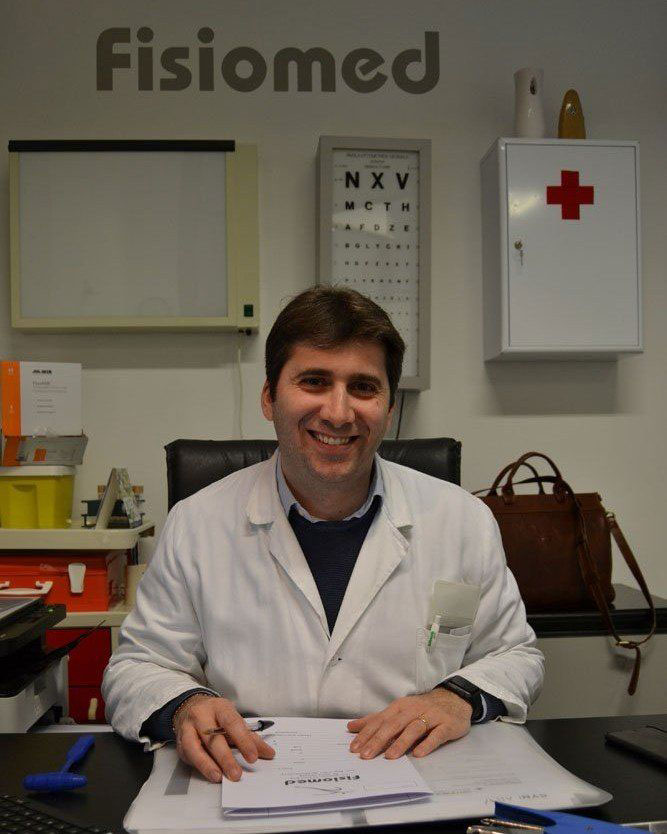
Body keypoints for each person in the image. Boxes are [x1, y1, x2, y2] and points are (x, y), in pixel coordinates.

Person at [102, 285, 544, 784]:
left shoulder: (461, 520)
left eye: (364, 387)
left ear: (389, 409)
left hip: (417, 781)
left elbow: (514, 655)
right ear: (269, 397)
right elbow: (137, 667)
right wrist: (185, 704)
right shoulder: (197, 523)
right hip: (250, 780)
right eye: (314, 381)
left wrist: (456, 697)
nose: (338, 412)